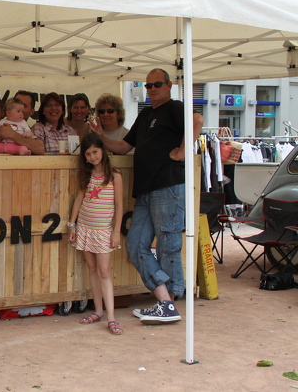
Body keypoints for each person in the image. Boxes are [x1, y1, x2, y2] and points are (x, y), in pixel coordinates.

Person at [89, 68, 204, 324]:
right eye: (148, 85)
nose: (152, 89)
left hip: (168, 186)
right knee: (135, 245)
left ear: (169, 85)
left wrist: (182, 152)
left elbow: (197, 120)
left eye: (157, 84)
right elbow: (123, 146)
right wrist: (100, 138)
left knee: (168, 245)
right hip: (145, 190)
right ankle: (165, 302)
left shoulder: (174, 108)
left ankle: (168, 302)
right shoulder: (145, 114)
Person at [68, 133, 124, 334]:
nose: (92, 157)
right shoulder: (87, 175)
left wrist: (116, 231)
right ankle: (98, 311)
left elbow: (119, 205)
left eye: (95, 152)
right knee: (92, 269)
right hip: (84, 228)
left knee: (104, 272)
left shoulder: (115, 175)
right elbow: (79, 199)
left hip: (103, 231)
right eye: (88, 154)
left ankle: (112, 317)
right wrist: (72, 225)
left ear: (103, 151)